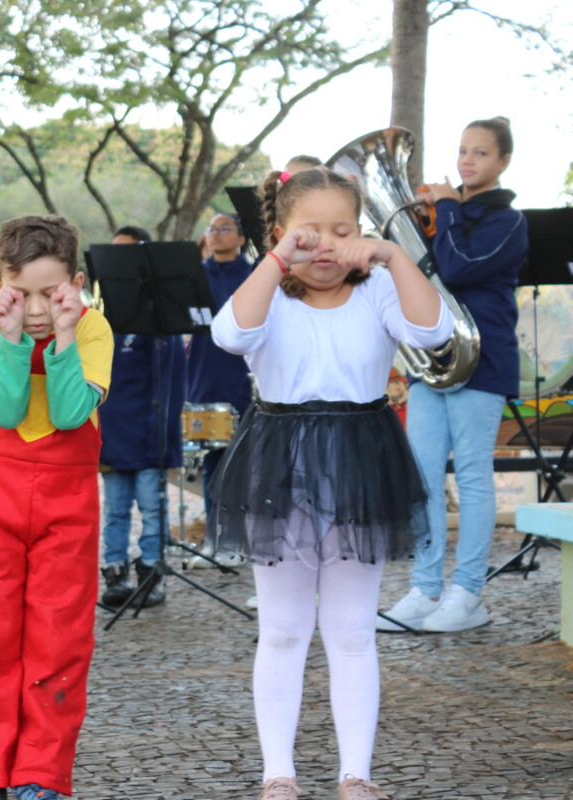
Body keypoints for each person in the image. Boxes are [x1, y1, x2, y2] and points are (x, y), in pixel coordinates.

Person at [204, 167, 453, 800]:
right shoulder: (269, 292)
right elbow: (229, 334)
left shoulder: (378, 291)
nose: (327, 246)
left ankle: (355, 775)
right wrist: (275, 260)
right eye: (309, 232)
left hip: (360, 463)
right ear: (281, 234)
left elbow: (435, 331)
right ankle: (278, 774)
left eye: (343, 231)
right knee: (283, 629)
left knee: (352, 631)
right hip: (278, 463)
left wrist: (393, 254)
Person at [0, 215, 113, 800]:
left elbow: (70, 415)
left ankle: (40, 774)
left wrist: (65, 338)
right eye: (23, 294)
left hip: (67, 510)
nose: (39, 308)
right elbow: (4, 410)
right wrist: (13, 339)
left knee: (59, 640)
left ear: (77, 283)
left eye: (53, 292)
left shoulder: (93, 329)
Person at [379, 116, 529, 633]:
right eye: (464, 151)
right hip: (432, 360)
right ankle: (424, 589)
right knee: (421, 476)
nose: (467, 161)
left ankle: (466, 594)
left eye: (481, 153)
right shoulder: (447, 214)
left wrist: (445, 209)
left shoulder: (508, 221)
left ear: (503, 161)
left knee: (471, 475)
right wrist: (430, 215)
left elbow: (459, 267)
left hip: (483, 362)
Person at [97, 225, 185, 608]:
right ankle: (115, 573)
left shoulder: (161, 318)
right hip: (113, 431)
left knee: (152, 508)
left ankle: (152, 573)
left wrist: (164, 435)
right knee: (115, 510)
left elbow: (172, 385)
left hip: (150, 432)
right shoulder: (102, 316)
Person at [185, 211, 254, 567]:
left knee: (240, 467)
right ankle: (215, 540)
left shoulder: (253, 276)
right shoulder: (193, 276)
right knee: (212, 465)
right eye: (211, 228)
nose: (215, 234)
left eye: (224, 228)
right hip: (203, 379)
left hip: (242, 381)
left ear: (241, 238)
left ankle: (238, 541)